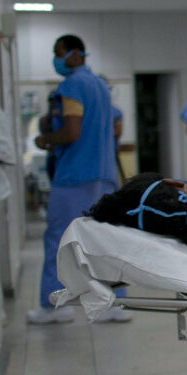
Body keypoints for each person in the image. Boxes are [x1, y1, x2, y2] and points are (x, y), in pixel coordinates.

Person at [29, 34, 131, 324]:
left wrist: (44, 139)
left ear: (75, 54)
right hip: (105, 175)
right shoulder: (100, 85)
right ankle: (113, 304)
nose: (56, 59)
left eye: (58, 53)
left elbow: (72, 133)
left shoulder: (72, 85)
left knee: (59, 241)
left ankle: (52, 307)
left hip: (75, 175)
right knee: (104, 241)